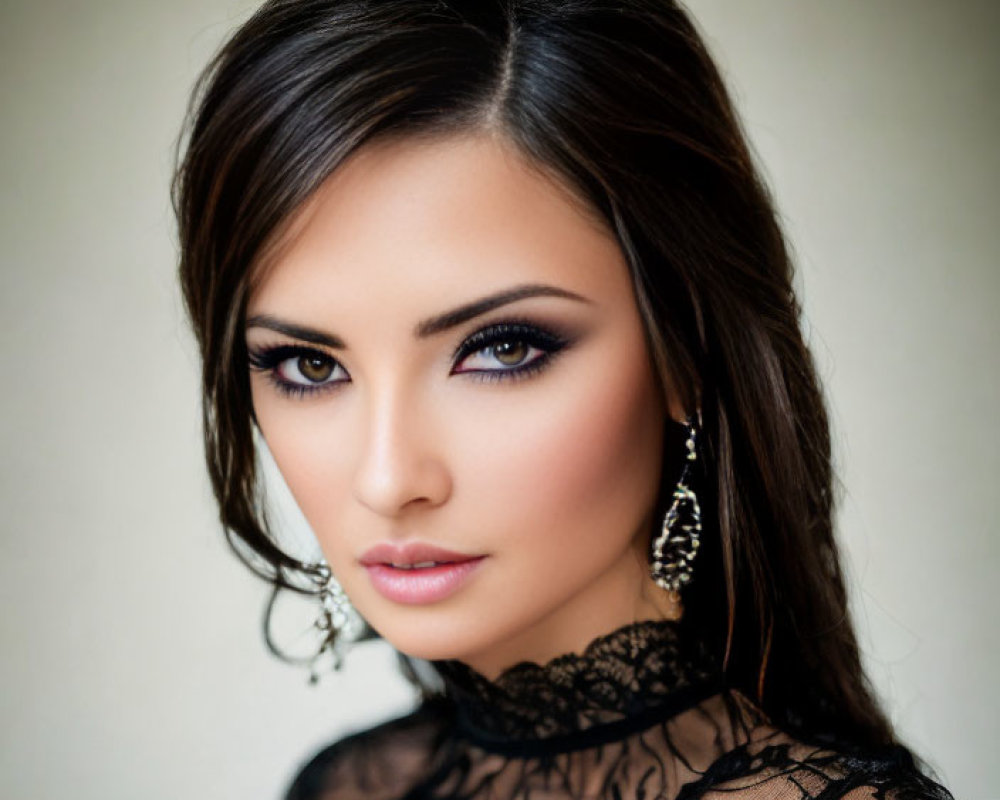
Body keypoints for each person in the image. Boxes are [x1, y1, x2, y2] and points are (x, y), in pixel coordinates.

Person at [172, 1, 954, 798]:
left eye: (501, 349)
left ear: (686, 353)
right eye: (307, 365)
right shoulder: (347, 786)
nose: (385, 478)